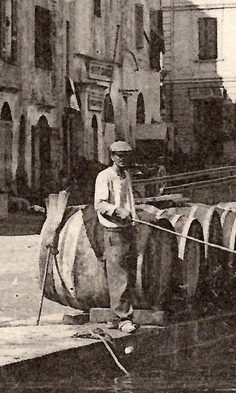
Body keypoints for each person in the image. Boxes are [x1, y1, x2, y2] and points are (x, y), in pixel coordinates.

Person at [94, 140, 138, 333]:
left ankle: (115, 317)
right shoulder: (105, 176)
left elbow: (130, 200)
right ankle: (122, 318)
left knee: (127, 272)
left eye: (126, 156)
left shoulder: (126, 175)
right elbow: (100, 204)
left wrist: (132, 217)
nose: (122, 159)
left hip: (127, 229)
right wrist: (118, 211)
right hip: (113, 231)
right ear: (112, 156)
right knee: (118, 274)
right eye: (119, 155)